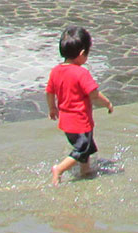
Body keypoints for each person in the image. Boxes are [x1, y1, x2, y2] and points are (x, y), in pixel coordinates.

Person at [46, 26, 114, 185]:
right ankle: (59, 169)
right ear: (82, 53)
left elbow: (49, 92)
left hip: (66, 123)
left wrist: (52, 108)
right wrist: (108, 104)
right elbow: (94, 95)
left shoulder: (56, 71)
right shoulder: (81, 73)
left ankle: (85, 171)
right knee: (83, 148)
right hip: (80, 122)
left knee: (88, 147)